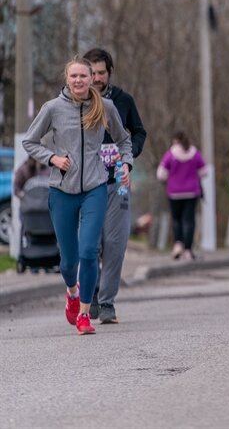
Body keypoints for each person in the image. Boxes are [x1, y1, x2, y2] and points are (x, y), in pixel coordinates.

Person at [22, 56, 133, 335]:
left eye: (83, 76)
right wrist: (53, 158)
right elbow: (29, 141)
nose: (79, 81)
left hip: (95, 187)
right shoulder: (53, 109)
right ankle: (72, 292)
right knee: (68, 260)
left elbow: (124, 139)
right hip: (62, 191)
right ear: (67, 78)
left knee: (89, 251)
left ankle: (84, 314)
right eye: (74, 76)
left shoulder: (104, 106)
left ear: (91, 79)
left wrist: (126, 164)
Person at [82, 48, 147, 325]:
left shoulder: (123, 100)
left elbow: (139, 132)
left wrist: (128, 161)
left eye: (101, 73)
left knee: (115, 243)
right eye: (92, 73)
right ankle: (92, 293)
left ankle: (107, 302)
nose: (96, 78)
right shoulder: (76, 102)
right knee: (90, 245)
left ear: (109, 73)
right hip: (87, 184)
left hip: (117, 181)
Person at [156, 132, 207, 261]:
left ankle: (178, 244)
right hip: (191, 192)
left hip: (174, 192)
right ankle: (188, 250)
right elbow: (204, 171)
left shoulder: (170, 155)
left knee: (176, 219)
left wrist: (171, 177)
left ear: (175, 141)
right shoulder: (194, 154)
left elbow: (161, 174)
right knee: (189, 221)